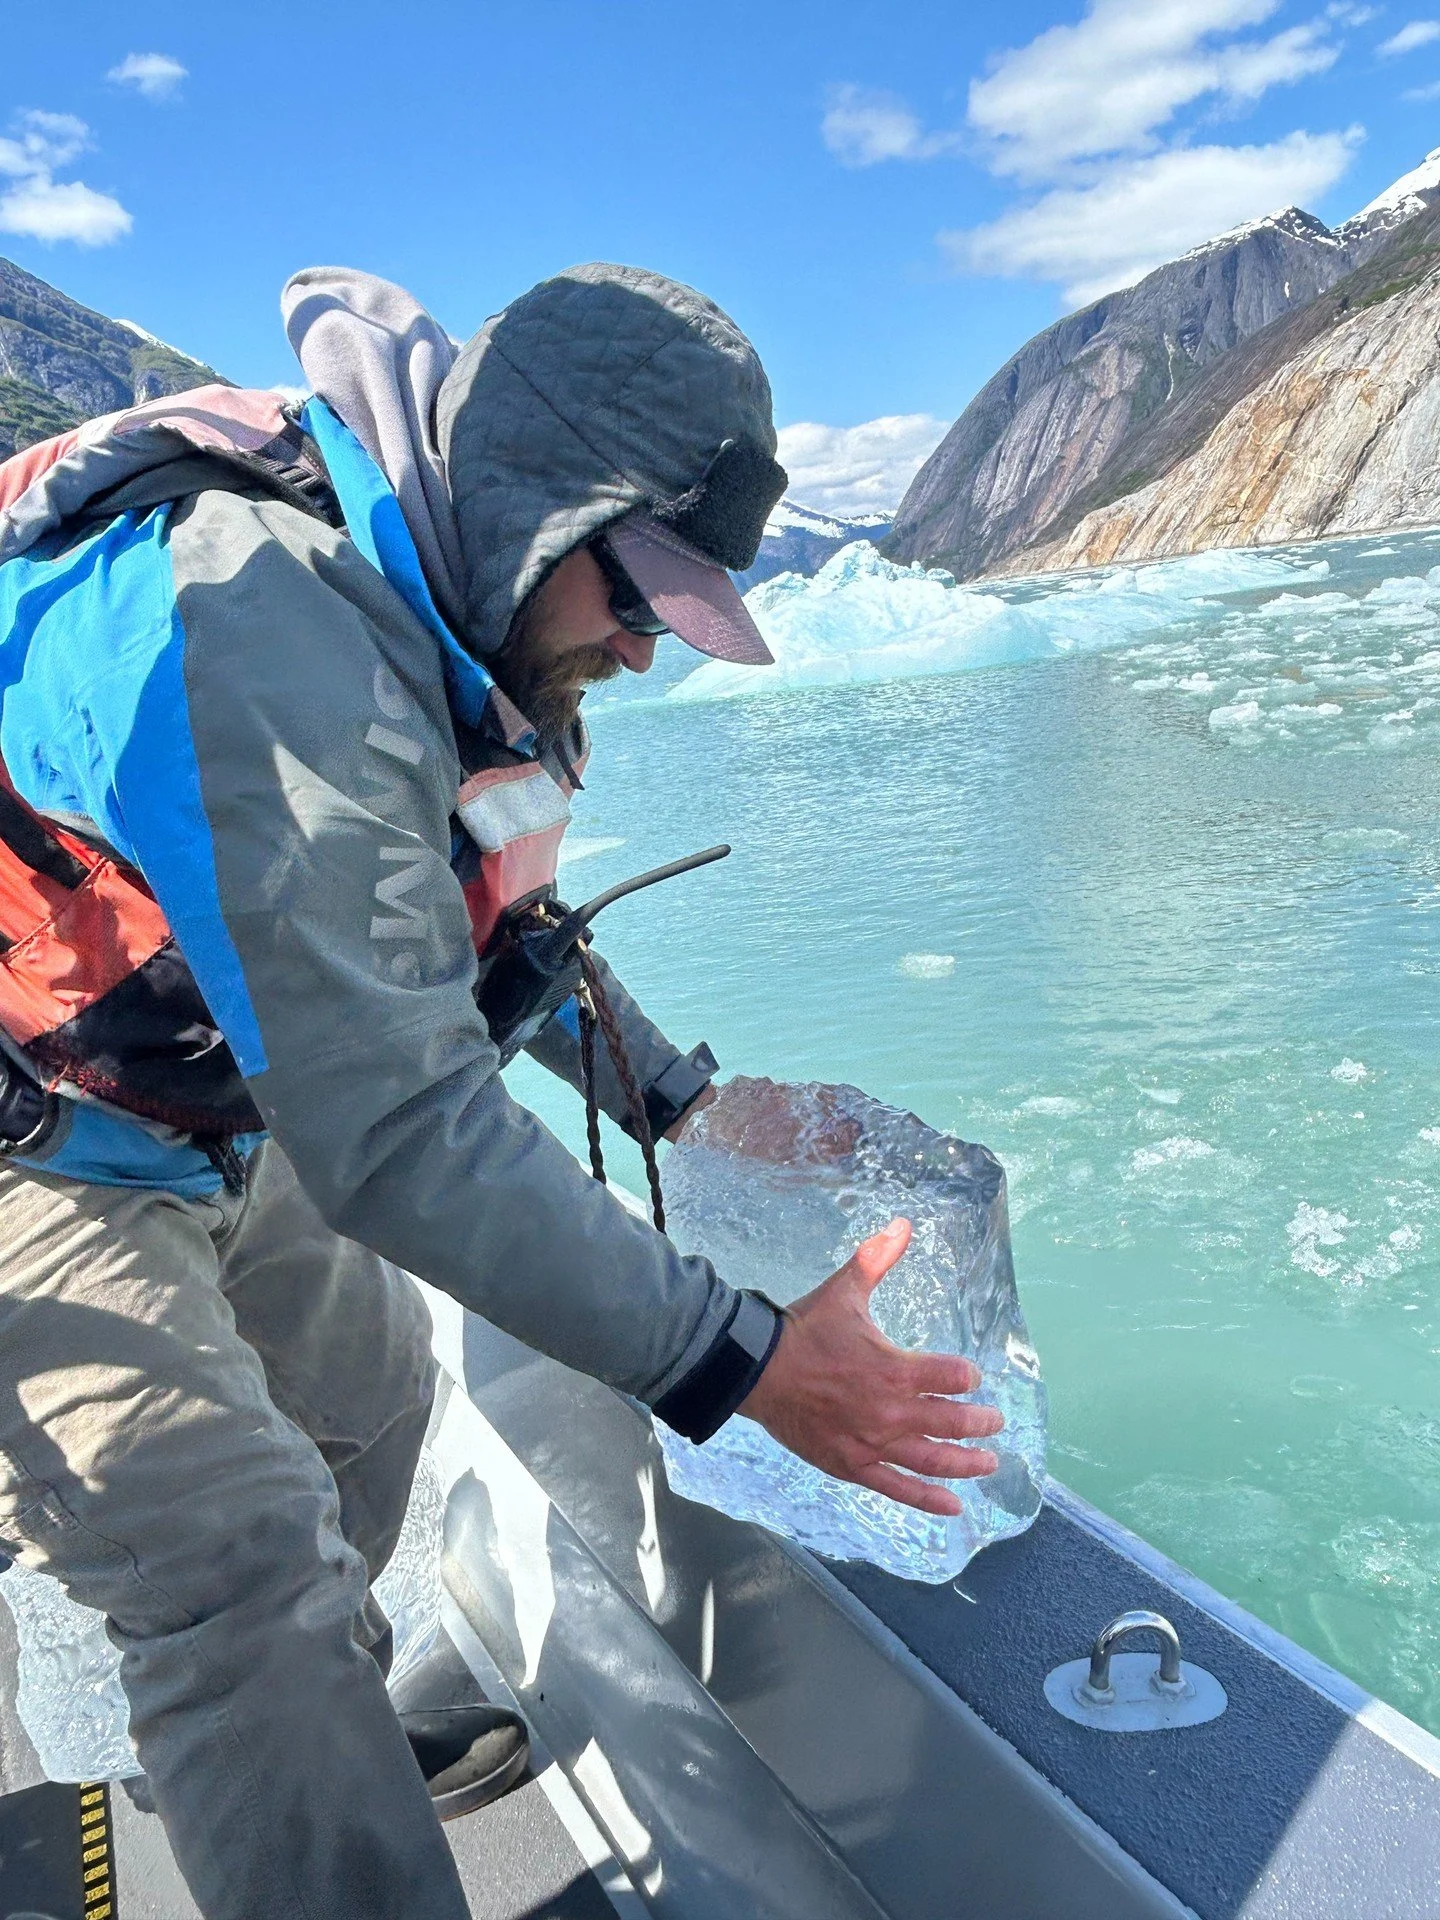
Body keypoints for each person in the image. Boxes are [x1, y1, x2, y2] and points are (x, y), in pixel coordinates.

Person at [0, 262, 1002, 1918]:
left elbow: (476, 920)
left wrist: (681, 1099)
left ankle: (294, 1755)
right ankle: (281, 1745)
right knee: (240, 1567)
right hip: (37, 1146)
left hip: (215, 1115)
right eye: (638, 598)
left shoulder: (448, 617)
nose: (640, 648)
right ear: (552, 507)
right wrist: (744, 1361)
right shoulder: (262, 625)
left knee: (375, 1403)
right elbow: (397, 1130)